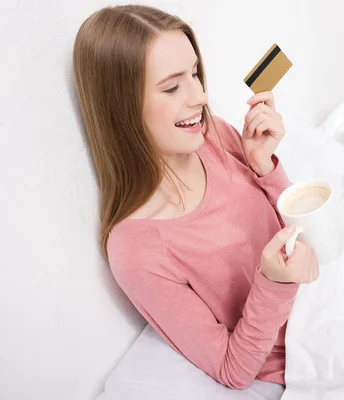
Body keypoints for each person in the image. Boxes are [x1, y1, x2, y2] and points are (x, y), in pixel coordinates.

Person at [72, 4, 319, 391]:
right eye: (172, 87)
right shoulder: (136, 250)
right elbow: (233, 370)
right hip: (311, 352)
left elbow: (300, 232)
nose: (200, 96)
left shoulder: (214, 135)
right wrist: (272, 283)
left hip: (329, 294)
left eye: (194, 74)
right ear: (120, 108)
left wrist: (264, 167)